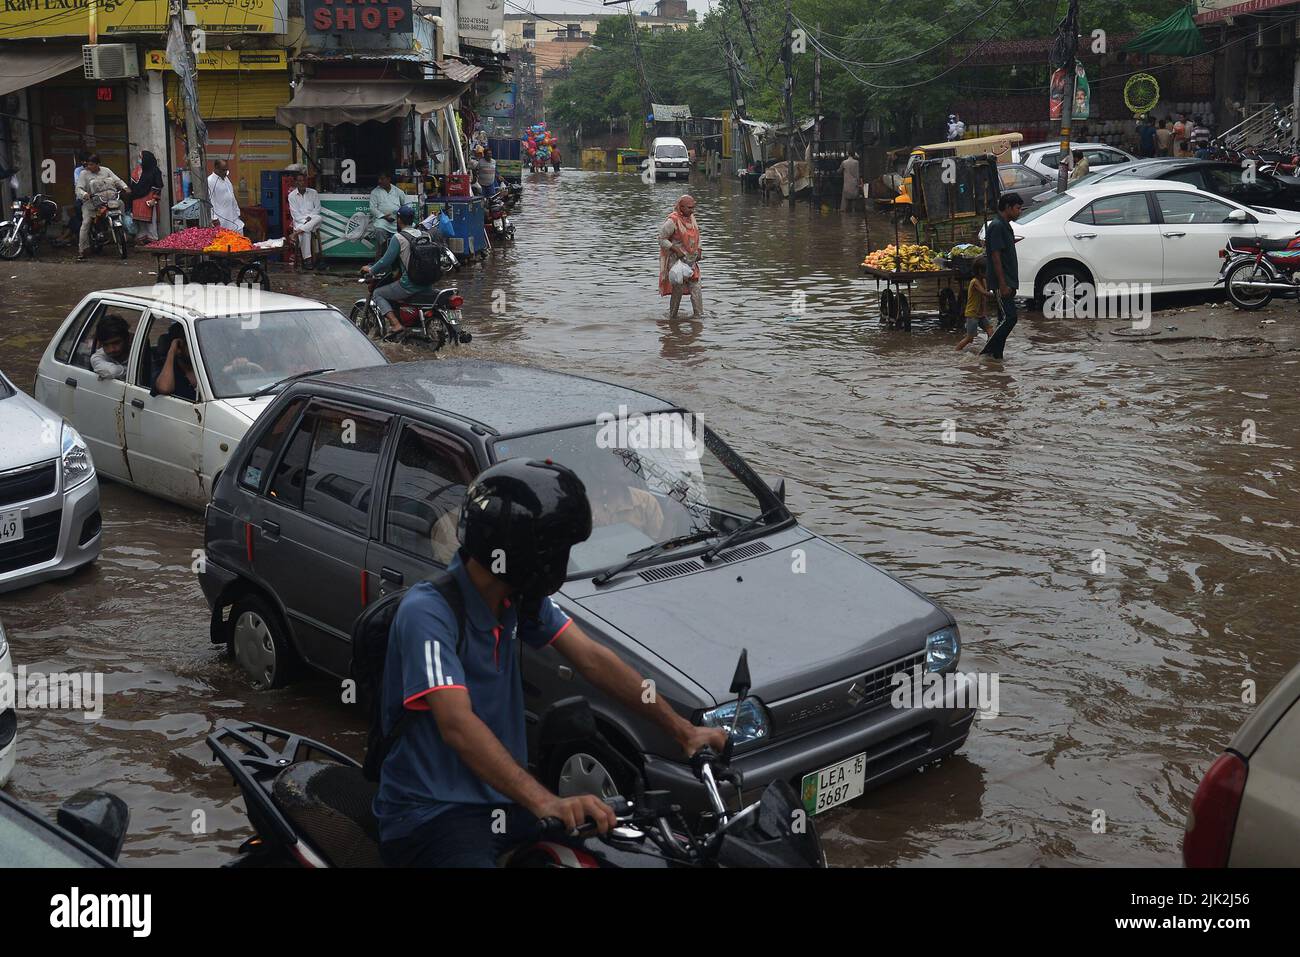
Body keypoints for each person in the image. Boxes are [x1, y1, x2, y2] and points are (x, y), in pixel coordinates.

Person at [375, 458, 727, 868]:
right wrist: (546, 800)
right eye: (560, 551)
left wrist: (683, 732)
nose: (564, 561)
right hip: (432, 813)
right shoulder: (428, 613)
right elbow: (457, 724)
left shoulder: (517, 600)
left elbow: (593, 659)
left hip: (505, 801)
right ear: (526, 552)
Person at [363, 205, 434, 336]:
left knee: (378, 293)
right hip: (428, 283)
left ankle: (395, 324)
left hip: (410, 285)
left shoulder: (398, 238)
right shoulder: (425, 235)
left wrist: (371, 270)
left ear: (399, 220)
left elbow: (385, 262)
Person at [983, 193, 1024, 360]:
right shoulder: (997, 226)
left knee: (1003, 319)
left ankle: (996, 357)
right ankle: (987, 351)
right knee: (1010, 318)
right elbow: (995, 257)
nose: (1019, 212)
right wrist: (1002, 284)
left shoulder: (1005, 225)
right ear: (1008, 207)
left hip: (1009, 280)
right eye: (1018, 208)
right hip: (1003, 282)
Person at [75, 154, 128, 262]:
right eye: (88, 164)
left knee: (120, 204)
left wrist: (125, 187)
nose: (89, 166)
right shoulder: (83, 174)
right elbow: (78, 188)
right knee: (86, 224)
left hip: (107, 201)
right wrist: (85, 194)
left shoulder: (106, 170)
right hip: (91, 203)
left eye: (92, 164)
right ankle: (81, 250)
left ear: (98, 164)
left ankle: (120, 232)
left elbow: (117, 180)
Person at [658, 194, 703, 320]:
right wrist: (675, 249)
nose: (692, 210)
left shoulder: (692, 218)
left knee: (696, 289)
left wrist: (699, 251)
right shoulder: (672, 221)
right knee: (677, 291)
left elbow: (697, 236)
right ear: (681, 207)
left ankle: (699, 318)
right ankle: (672, 318)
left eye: (693, 207)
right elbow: (661, 239)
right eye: (689, 208)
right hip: (676, 262)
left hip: (691, 260)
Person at [955, 257, 993, 352]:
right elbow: (984, 293)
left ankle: (989, 350)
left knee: (990, 331)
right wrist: (998, 294)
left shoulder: (983, 280)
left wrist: (984, 311)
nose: (988, 273)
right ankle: (956, 351)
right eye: (986, 270)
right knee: (970, 338)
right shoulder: (975, 282)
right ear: (980, 271)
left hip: (980, 314)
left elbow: (984, 297)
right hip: (972, 314)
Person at [153, 324, 199, 401]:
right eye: (192, 345)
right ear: (178, 347)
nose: (197, 350)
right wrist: (172, 351)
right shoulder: (166, 369)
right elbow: (164, 388)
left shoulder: (205, 367)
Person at [287, 173, 322, 269]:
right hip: (300, 222)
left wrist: (310, 218)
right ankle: (307, 260)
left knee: (319, 217)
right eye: (299, 181)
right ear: (296, 182)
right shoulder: (292, 196)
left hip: (313, 220)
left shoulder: (313, 193)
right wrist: (305, 221)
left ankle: (296, 233)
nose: (302, 183)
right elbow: (295, 214)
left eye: (303, 180)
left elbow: (318, 209)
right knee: (305, 232)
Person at [129, 150, 163, 244]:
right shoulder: (138, 170)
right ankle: (141, 238)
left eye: (141, 157)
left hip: (149, 199)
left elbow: (158, 185)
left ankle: (153, 240)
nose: (139, 160)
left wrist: (154, 198)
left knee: (151, 222)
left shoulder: (155, 170)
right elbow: (133, 184)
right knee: (140, 223)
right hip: (137, 199)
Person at [368, 171, 407, 245]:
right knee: (379, 230)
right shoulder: (375, 192)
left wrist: (400, 217)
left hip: (397, 220)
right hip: (382, 220)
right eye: (379, 179)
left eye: (382, 179)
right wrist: (384, 216)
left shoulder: (398, 191)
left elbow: (405, 205)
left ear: (389, 179)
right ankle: (382, 248)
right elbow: (372, 208)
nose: (379, 181)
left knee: (410, 228)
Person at [207, 159, 244, 235]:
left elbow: (232, 196)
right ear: (216, 168)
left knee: (240, 239)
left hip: (233, 215)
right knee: (225, 240)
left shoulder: (226, 178)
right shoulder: (210, 181)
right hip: (221, 218)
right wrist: (214, 217)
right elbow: (209, 201)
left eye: (226, 170)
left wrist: (238, 212)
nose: (225, 173)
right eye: (223, 170)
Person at [90, 313, 131, 380]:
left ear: (127, 339)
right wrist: (127, 370)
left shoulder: (138, 352)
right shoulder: (98, 358)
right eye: (105, 345)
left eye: (116, 343)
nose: (111, 349)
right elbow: (112, 371)